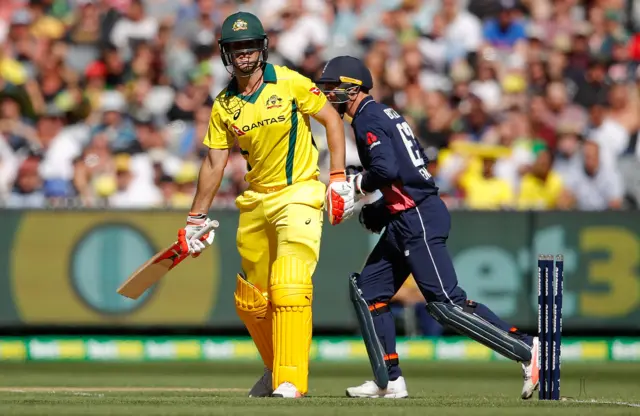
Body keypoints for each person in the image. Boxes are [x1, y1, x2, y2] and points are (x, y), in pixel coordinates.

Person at [316, 56, 539, 400]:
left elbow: (386, 169)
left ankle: (526, 349)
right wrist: (381, 208)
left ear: (354, 88)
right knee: (368, 292)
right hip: (408, 214)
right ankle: (388, 380)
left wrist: (357, 184)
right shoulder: (383, 113)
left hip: (417, 216)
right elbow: (412, 164)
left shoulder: (367, 118)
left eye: (334, 89)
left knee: (445, 303)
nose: (330, 96)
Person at [178, 12, 355, 399]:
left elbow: (332, 120)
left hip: (298, 192)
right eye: (235, 48)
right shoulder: (225, 104)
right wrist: (196, 218)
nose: (243, 55)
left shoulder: (290, 81)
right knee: (252, 298)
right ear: (226, 53)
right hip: (255, 201)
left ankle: (291, 380)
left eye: (249, 46)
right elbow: (214, 161)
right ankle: (275, 368)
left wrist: (338, 177)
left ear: (262, 48)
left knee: (289, 283)